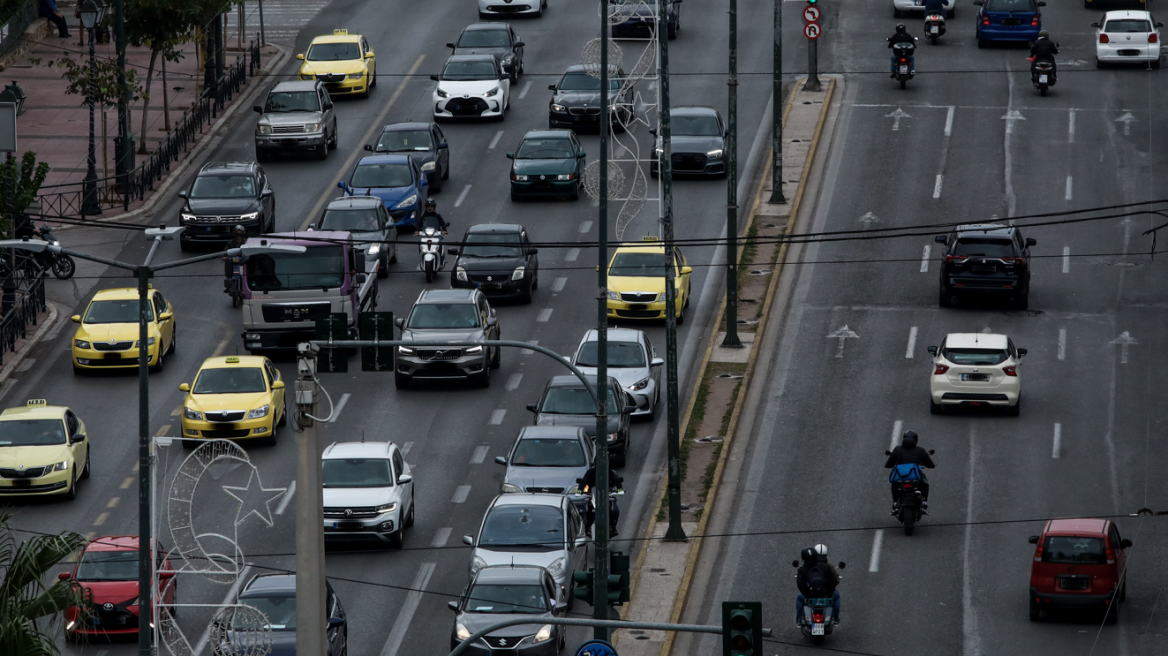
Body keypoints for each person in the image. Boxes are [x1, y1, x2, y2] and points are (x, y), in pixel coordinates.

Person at [884, 430, 936, 507]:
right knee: (925, 483)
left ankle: (895, 502)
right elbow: (931, 465)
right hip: (915, 477)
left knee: (894, 484)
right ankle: (924, 501)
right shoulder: (920, 450)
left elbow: (888, 465)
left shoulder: (897, 449)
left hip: (899, 477)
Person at [796, 547, 841, 625]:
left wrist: (807, 596)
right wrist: (828, 594)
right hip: (825, 595)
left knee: (800, 598)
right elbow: (833, 581)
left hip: (811, 596)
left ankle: (799, 620)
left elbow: (801, 585)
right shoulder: (825, 567)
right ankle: (836, 619)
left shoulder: (802, 570)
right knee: (836, 596)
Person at [579, 463, 622, 537]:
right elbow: (584, 481)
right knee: (585, 510)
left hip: (607, 496)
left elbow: (616, 481)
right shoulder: (590, 472)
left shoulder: (609, 471)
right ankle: (587, 527)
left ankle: (613, 527)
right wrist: (579, 490)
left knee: (615, 509)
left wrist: (620, 489)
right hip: (593, 496)